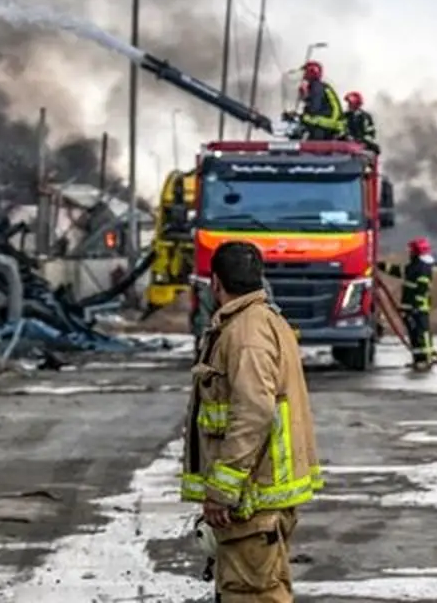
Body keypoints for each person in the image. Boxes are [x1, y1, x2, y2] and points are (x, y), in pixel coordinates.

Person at [180, 241, 321, 603]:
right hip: (256, 497)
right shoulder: (259, 323)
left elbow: (253, 413)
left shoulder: (246, 335)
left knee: (252, 595)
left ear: (215, 283)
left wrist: (222, 491)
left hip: (251, 500)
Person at [378, 238, 435, 371]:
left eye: (411, 250)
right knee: (414, 334)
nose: (409, 252)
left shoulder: (422, 267)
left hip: (418, 307)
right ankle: (417, 359)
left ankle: (426, 359)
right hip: (411, 306)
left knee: (422, 333)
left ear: (416, 251)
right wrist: (381, 266)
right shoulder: (415, 265)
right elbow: (400, 271)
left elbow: (422, 289)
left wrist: (415, 307)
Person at [290, 61, 345, 140]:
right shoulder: (319, 86)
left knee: (306, 121)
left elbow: (314, 109)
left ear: (310, 72)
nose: (303, 75)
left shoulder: (316, 86)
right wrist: (306, 97)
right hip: (328, 122)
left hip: (329, 122)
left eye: (305, 72)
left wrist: (299, 116)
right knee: (306, 120)